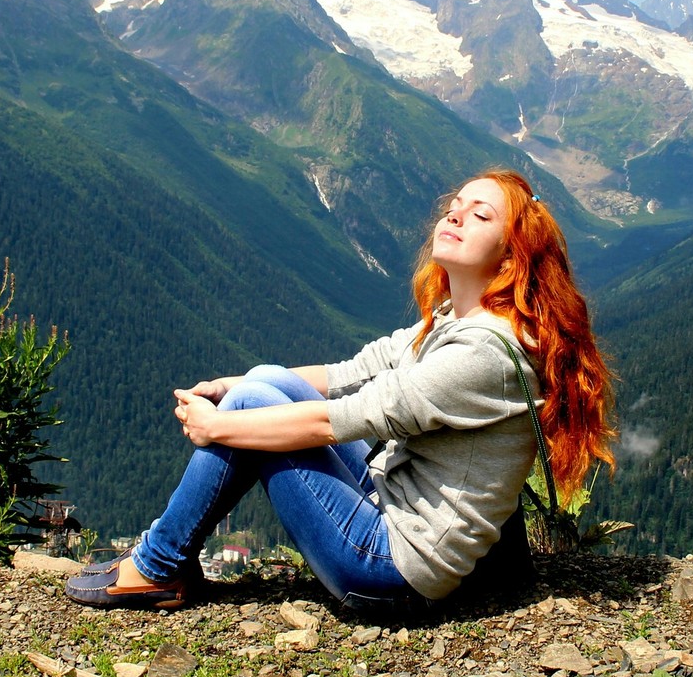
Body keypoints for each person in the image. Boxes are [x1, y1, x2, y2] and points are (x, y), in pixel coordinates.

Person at [64, 169, 615, 612]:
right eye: (457, 204)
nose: (455, 214)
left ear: (512, 253)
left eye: (480, 214)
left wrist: (220, 424)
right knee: (265, 383)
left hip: (392, 569)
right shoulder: (460, 317)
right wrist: (237, 383)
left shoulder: (484, 352)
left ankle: (157, 567)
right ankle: (170, 560)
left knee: (255, 406)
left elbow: (343, 419)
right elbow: (358, 368)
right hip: (397, 505)